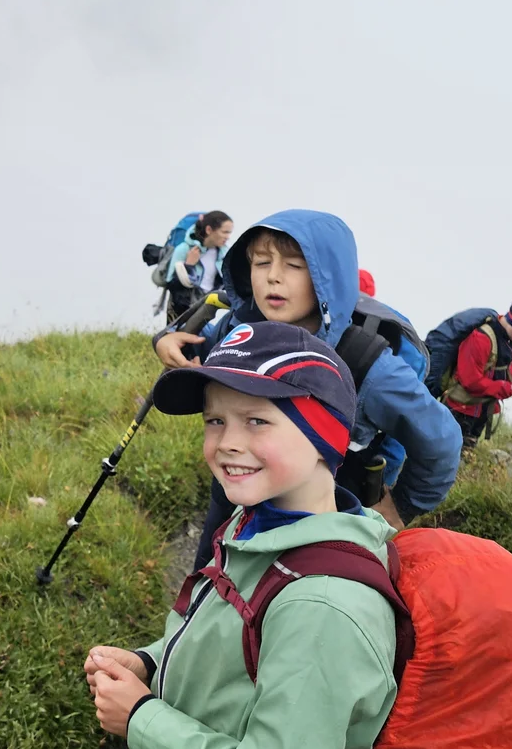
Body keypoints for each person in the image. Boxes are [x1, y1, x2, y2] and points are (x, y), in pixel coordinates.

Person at [85, 321, 399, 749]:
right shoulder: (258, 525)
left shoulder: (325, 610)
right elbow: (225, 636)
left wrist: (139, 718)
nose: (227, 441)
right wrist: (150, 662)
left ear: (324, 434)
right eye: (215, 420)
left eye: (257, 420)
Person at [154, 211, 460, 566]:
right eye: (262, 262)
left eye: (295, 266)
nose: (273, 276)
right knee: (209, 580)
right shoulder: (241, 327)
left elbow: (440, 441)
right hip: (233, 493)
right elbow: (196, 341)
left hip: (320, 517)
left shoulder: (367, 363)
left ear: (329, 277)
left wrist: (401, 506)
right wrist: (165, 340)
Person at [442, 299, 512, 446]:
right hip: (460, 409)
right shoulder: (480, 338)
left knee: (468, 448)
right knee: (446, 450)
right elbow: (470, 381)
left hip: (484, 409)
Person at [164, 212, 232, 322]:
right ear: (209, 230)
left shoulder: (224, 253)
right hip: (182, 309)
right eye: (225, 232)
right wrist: (189, 266)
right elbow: (170, 284)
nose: (228, 237)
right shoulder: (184, 249)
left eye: (229, 233)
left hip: (211, 308)